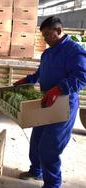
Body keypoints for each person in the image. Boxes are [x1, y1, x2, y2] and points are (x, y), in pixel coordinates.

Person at [14, 16, 86, 188]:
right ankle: (36, 170)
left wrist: (59, 89)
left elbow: (82, 77)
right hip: (45, 102)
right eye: (43, 36)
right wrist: (28, 79)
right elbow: (41, 72)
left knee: (50, 148)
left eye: (48, 35)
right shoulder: (48, 52)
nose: (45, 39)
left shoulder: (74, 51)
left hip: (63, 106)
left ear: (59, 31)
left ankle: (52, 184)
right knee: (37, 141)